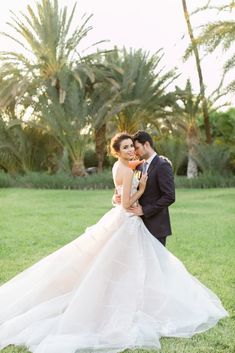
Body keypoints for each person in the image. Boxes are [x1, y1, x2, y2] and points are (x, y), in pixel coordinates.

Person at [0, 132, 228, 353]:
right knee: (129, 267)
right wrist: (141, 189)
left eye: (133, 146)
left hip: (130, 220)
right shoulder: (129, 169)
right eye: (127, 147)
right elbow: (127, 202)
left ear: (144, 145)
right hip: (129, 220)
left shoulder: (137, 165)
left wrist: (122, 197)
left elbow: (147, 195)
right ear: (117, 151)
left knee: (127, 265)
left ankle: (140, 303)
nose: (132, 150)